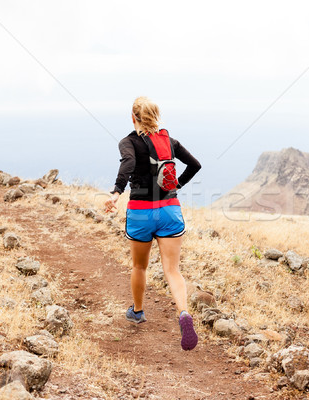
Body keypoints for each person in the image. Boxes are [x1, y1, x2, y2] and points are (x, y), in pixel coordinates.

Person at [105, 96, 202, 351]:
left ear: (133, 117)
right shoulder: (169, 142)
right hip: (169, 209)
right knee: (173, 270)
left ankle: (137, 311)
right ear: (155, 116)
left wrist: (116, 193)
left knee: (140, 266)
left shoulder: (128, 142)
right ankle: (183, 314)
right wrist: (177, 185)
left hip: (141, 213)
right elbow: (195, 165)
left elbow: (127, 164)